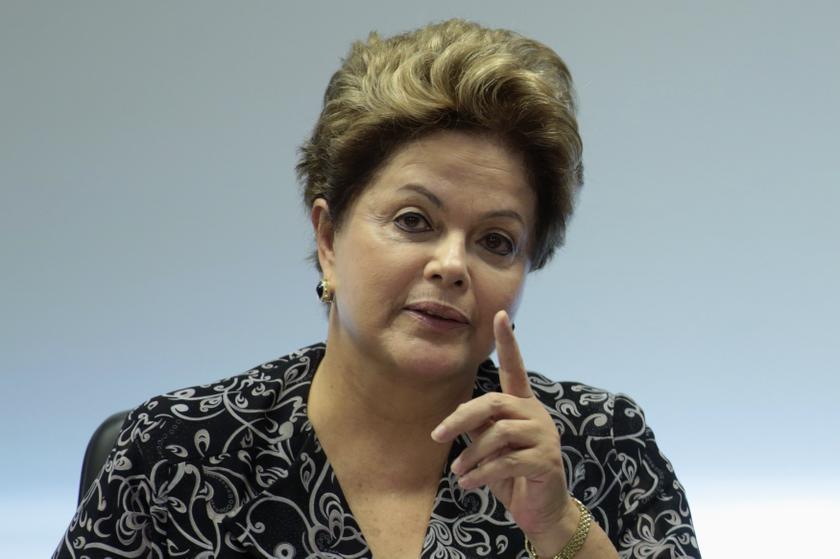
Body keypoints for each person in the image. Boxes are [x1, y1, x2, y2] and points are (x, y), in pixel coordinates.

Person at [54, 19, 700, 559]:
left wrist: (560, 526)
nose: (453, 265)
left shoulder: (601, 443)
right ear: (329, 238)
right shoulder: (176, 455)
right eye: (414, 221)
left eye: (496, 241)